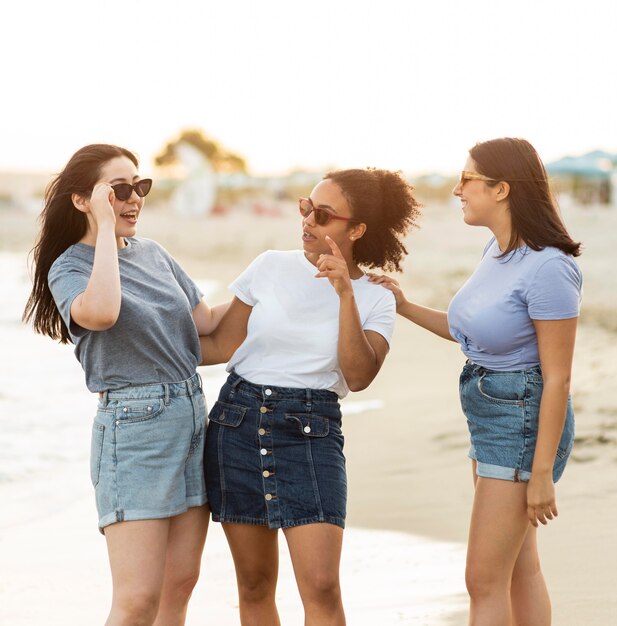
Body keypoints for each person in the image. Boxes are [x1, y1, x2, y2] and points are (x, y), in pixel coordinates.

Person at [369, 137, 582, 625]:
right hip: (491, 411)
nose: (457, 189)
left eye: (467, 179)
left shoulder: (549, 267)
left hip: (522, 419)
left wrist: (542, 474)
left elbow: (558, 378)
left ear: (502, 188)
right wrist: (403, 305)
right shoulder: (499, 251)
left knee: (483, 579)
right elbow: (472, 333)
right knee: (517, 570)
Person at [199, 168, 421, 625]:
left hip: (311, 432)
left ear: (356, 230)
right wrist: (139, 357)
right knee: (255, 584)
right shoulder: (269, 266)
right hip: (237, 423)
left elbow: (358, 376)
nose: (307, 221)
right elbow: (222, 345)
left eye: (323, 215)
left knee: (321, 585)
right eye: (306, 208)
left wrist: (344, 293)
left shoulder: (376, 298)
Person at [23, 144, 226, 626]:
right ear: (83, 200)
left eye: (140, 186)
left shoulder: (153, 253)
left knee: (179, 587)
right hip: (135, 430)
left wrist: (271, 279)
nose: (134, 197)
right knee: (136, 601)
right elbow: (103, 312)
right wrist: (107, 230)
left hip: (191, 415)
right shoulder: (69, 267)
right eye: (119, 189)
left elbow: (207, 324)